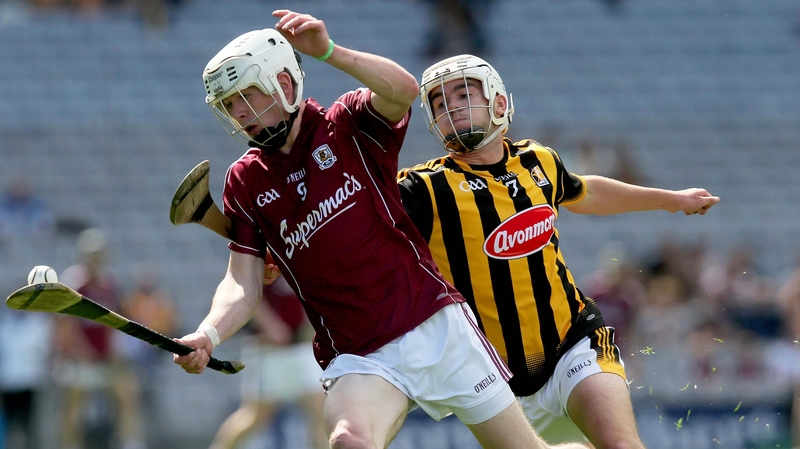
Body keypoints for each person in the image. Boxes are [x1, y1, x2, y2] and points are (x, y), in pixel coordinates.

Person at [173, 10, 588, 449]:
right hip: (359, 354)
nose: (239, 113)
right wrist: (209, 332)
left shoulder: (347, 124)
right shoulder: (245, 181)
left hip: (433, 322)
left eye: (246, 96)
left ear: (285, 83)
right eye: (228, 105)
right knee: (349, 440)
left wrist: (329, 52)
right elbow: (242, 281)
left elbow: (403, 90)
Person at [396, 54, 720, 448]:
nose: (452, 107)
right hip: (491, 380)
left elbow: (587, 191)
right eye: (440, 103)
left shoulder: (539, 160)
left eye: (463, 93)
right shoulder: (422, 187)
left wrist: (672, 200)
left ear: (499, 103)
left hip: (573, 342)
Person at [55, 228, 147, 449]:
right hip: (79, 357)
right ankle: (69, 445)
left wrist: (114, 351)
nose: (96, 259)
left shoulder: (110, 284)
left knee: (127, 394)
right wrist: (78, 352)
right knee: (73, 405)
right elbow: (66, 324)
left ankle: (130, 442)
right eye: (92, 255)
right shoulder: (74, 283)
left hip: (105, 356)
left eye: (99, 254)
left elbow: (116, 319)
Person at [209, 276, 326, 449]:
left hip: (303, 346)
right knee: (255, 416)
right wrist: (270, 325)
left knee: (320, 413)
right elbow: (246, 289)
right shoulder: (264, 253)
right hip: (270, 350)